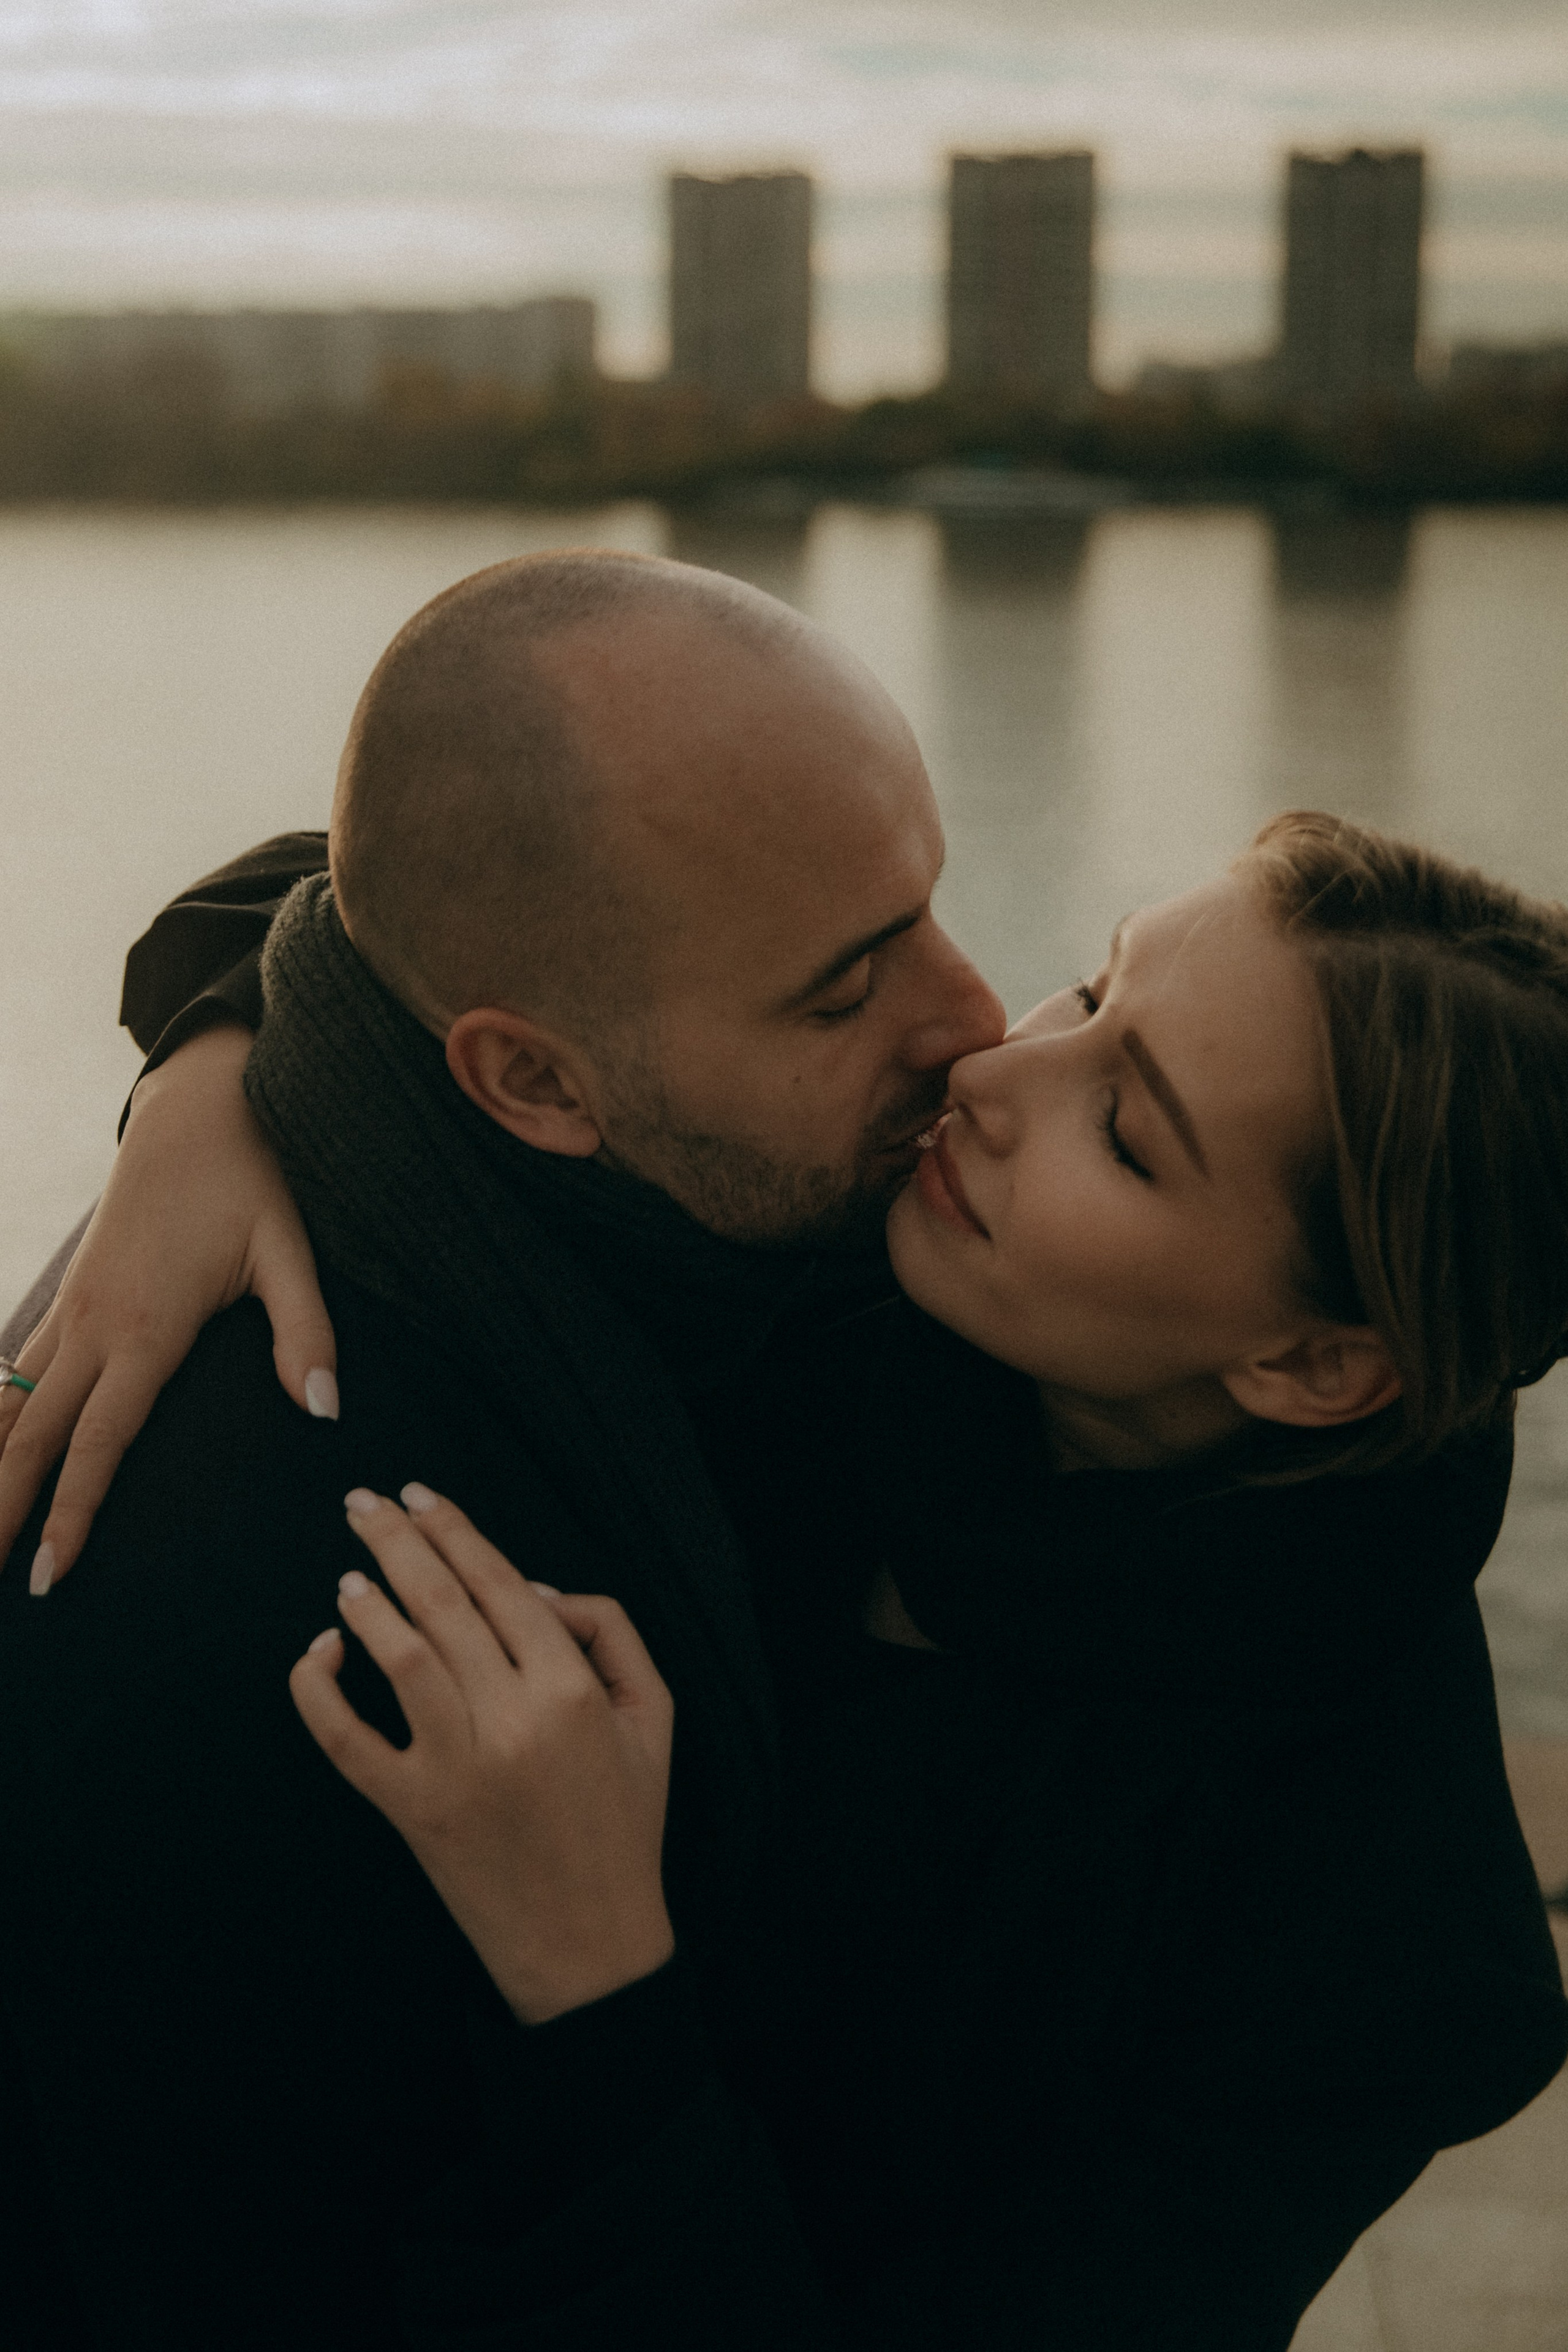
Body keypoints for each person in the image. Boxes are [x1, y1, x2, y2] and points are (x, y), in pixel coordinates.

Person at [0, 554, 1562, 2348]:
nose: (984, 1055)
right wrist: (216, 1082)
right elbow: (470, 887)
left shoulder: (1379, 1967)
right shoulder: (867, 1261)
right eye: (1091, 988)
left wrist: (597, 1985)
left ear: (1308, 1362)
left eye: (1128, 1132)